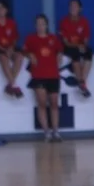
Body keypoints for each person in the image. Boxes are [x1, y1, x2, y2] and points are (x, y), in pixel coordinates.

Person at [23, 14, 64, 142]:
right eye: (38, 24)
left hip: (53, 75)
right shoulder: (31, 38)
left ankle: (56, 131)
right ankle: (46, 132)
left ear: (46, 25)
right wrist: (30, 55)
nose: (40, 26)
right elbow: (24, 50)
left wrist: (59, 55)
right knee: (41, 103)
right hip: (38, 75)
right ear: (35, 26)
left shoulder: (53, 38)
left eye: (42, 23)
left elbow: (60, 50)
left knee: (54, 103)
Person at [59, 0, 93, 98]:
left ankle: (82, 82)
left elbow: (85, 40)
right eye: (71, 6)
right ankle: (81, 82)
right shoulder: (64, 22)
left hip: (80, 46)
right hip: (68, 47)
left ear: (80, 8)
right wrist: (78, 46)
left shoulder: (84, 22)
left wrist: (83, 46)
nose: (72, 8)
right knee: (75, 53)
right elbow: (66, 42)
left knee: (89, 52)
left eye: (75, 6)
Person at [0, 0, 24, 98]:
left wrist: (11, 48)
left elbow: (14, 38)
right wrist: (5, 50)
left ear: (6, 10)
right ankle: (14, 84)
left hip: (9, 48)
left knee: (19, 56)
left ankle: (10, 85)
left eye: (1, 7)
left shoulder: (11, 23)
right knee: (4, 59)